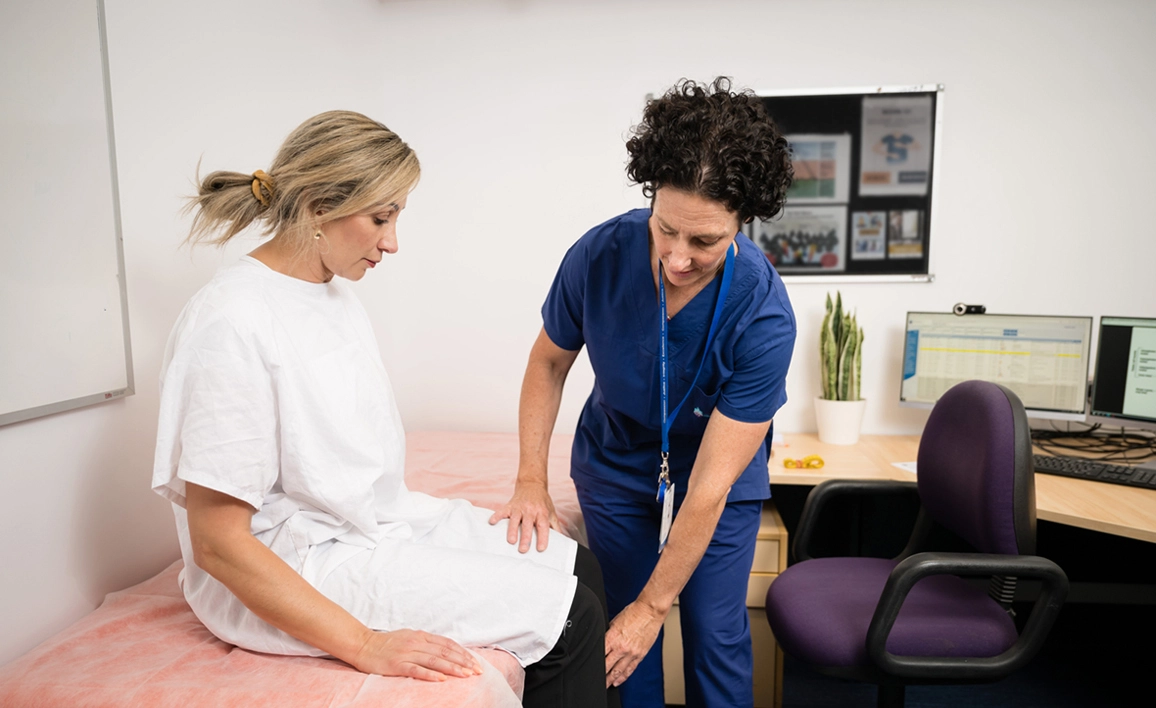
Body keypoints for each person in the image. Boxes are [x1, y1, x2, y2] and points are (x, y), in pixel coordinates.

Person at [151, 110, 618, 708]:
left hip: (367, 525)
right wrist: (364, 643)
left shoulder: (332, 294)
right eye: (381, 217)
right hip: (295, 565)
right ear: (319, 205)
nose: (392, 242)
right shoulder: (231, 321)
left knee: (579, 566)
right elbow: (217, 543)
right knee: (568, 618)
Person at [491, 78, 796, 708]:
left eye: (705, 241)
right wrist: (529, 478)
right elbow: (548, 364)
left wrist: (657, 606)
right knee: (623, 641)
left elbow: (709, 489)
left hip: (717, 476)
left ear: (743, 222)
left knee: (714, 633)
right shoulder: (599, 255)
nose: (677, 258)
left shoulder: (764, 316)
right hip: (615, 462)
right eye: (666, 230)